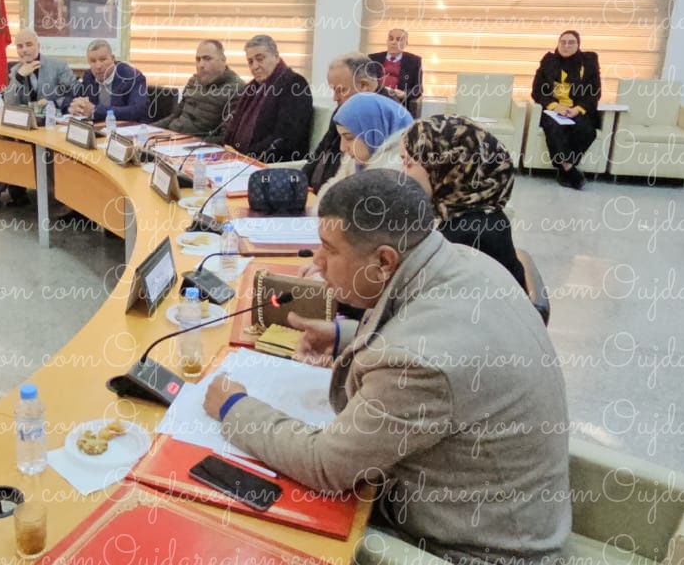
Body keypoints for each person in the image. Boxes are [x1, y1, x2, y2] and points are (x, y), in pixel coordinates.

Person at [204, 170, 571, 565]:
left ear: (383, 261)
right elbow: (422, 327)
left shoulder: (419, 364)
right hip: (502, 514)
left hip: (470, 552)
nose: (317, 262)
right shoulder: (469, 262)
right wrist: (342, 336)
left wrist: (234, 407)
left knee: (244, 529)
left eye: (329, 249)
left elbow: (325, 466)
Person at [399, 115, 528, 289]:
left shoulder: (463, 237)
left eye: (408, 163)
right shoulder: (480, 213)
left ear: (444, 167)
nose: (402, 174)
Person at [0, 30, 79, 208]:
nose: (24, 50)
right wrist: (20, 77)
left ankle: (60, 195)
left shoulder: (57, 66)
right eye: (20, 46)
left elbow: (75, 92)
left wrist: (52, 102)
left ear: (38, 46)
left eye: (29, 45)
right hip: (27, 126)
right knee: (6, 143)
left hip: (52, 125)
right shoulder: (15, 70)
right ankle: (14, 190)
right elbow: (10, 103)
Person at [305, 53, 406, 193]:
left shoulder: (384, 116)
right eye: (333, 90)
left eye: (341, 90)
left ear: (364, 85)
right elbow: (323, 147)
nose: (335, 97)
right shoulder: (345, 106)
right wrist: (300, 180)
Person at [220, 34, 312, 162]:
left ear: (276, 56)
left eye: (260, 59)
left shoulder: (294, 85)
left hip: (276, 164)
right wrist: (227, 150)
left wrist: (245, 156)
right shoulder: (251, 89)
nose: (254, 66)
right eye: (250, 62)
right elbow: (231, 128)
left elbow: (285, 139)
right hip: (240, 160)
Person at [531, 30, 601, 190]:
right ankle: (569, 168)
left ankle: (564, 170)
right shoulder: (549, 61)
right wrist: (555, 107)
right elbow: (537, 91)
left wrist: (577, 109)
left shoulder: (588, 62)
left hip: (577, 108)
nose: (566, 46)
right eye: (563, 42)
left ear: (578, 45)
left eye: (571, 43)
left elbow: (595, 92)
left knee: (587, 130)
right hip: (553, 109)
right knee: (554, 128)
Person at [150, 40, 244, 142]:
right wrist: (147, 129)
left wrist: (187, 142)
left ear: (223, 60)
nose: (201, 65)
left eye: (207, 59)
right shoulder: (194, 81)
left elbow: (224, 138)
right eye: (198, 59)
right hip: (171, 138)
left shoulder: (236, 89)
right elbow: (174, 116)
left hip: (194, 145)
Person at [328, 92, 413, 187]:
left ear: (375, 131)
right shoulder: (354, 164)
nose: (342, 147)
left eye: (349, 138)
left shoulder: (397, 177)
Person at [62, 40, 149, 123]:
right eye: (93, 61)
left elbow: (136, 110)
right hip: (99, 128)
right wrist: (74, 107)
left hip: (131, 128)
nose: (98, 66)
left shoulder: (132, 76)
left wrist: (95, 111)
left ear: (112, 59)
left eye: (103, 60)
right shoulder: (89, 76)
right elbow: (70, 99)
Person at [369, 29, 423, 116]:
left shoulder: (414, 61)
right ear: (387, 41)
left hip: (397, 101)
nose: (393, 42)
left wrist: (404, 94)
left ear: (406, 43)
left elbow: (418, 88)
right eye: (391, 39)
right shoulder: (373, 58)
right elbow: (365, 81)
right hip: (375, 97)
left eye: (398, 39)